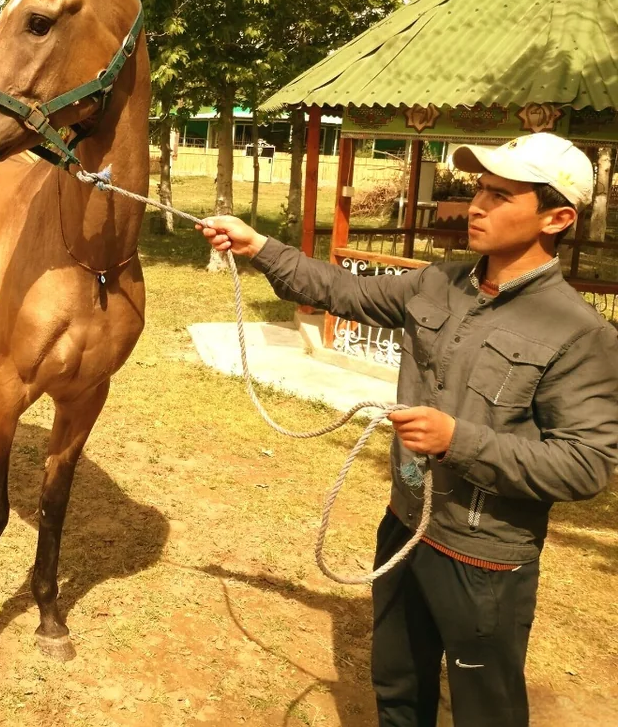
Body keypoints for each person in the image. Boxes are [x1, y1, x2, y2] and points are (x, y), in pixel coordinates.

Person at [197, 132, 618, 727]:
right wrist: (260, 246)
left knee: (486, 711)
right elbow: (341, 290)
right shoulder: (438, 282)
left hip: (485, 559)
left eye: (501, 196)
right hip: (403, 527)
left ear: (558, 217)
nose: (476, 205)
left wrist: (459, 439)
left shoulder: (580, 334)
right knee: (397, 687)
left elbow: (587, 465)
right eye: (479, 189)